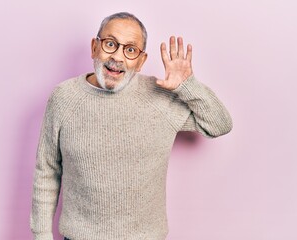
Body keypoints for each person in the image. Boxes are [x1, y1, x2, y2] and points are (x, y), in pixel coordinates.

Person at [30, 12, 232, 240]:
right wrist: (41, 235)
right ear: (94, 47)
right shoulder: (64, 98)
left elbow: (219, 124)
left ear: (140, 61)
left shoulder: (159, 98)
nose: (117, 57)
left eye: (130, 50)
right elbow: (47, 171)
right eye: (110, 44)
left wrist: (187, 85)